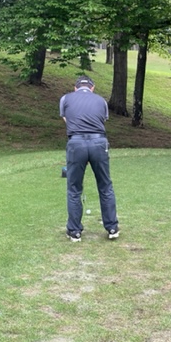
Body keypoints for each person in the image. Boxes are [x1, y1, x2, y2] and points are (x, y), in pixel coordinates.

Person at [59, 76, 119, 242]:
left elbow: (67, 120)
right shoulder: (101, 101)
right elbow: (102, 120)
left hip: (76, 143)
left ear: (75, 87)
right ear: (92, 87)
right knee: (105, 185)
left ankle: (74, 231)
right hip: (99, 143)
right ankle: (112, 228)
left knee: (74, 188)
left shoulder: (65, 99)